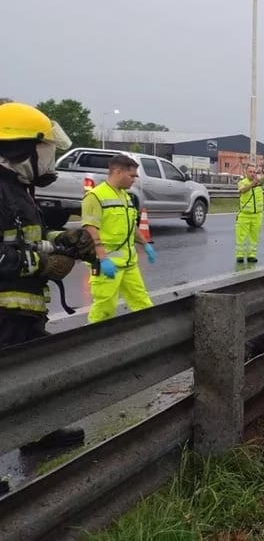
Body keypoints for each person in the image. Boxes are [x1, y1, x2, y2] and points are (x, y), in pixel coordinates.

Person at [0, 101, 97, 451]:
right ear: (23, 148)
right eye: (46, 149)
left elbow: (25, 239)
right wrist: (41, 265)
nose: (50, 158)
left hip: (21, 311)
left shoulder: (17, 189)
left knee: (37, 372)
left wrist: (65, 241)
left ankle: (38, 433)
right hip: (4, 314)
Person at [81, 154, 157, 324]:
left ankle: (151, 335)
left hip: (129, 264)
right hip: (107, 264)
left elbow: (131, 225)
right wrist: (102, 258)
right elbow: (90, 229)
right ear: (117, 171)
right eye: (132, 175)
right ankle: (93, 341)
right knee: (104, 309)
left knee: (143, 304)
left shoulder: (125, 196)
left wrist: (145, 245)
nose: (134, 180)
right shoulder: (96, 196)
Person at [235, 164, 264, 263]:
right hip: (244, 214)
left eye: (254, 172)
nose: (253, 174)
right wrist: (252, 183)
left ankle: (251, 255)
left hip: (257, 215)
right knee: (241, 236)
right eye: (250, 172)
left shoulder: (259, 182)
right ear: (246, 172)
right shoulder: (242, 182)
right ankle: (240, 255)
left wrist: (263, 172)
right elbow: (243, 190)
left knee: (254, 236)